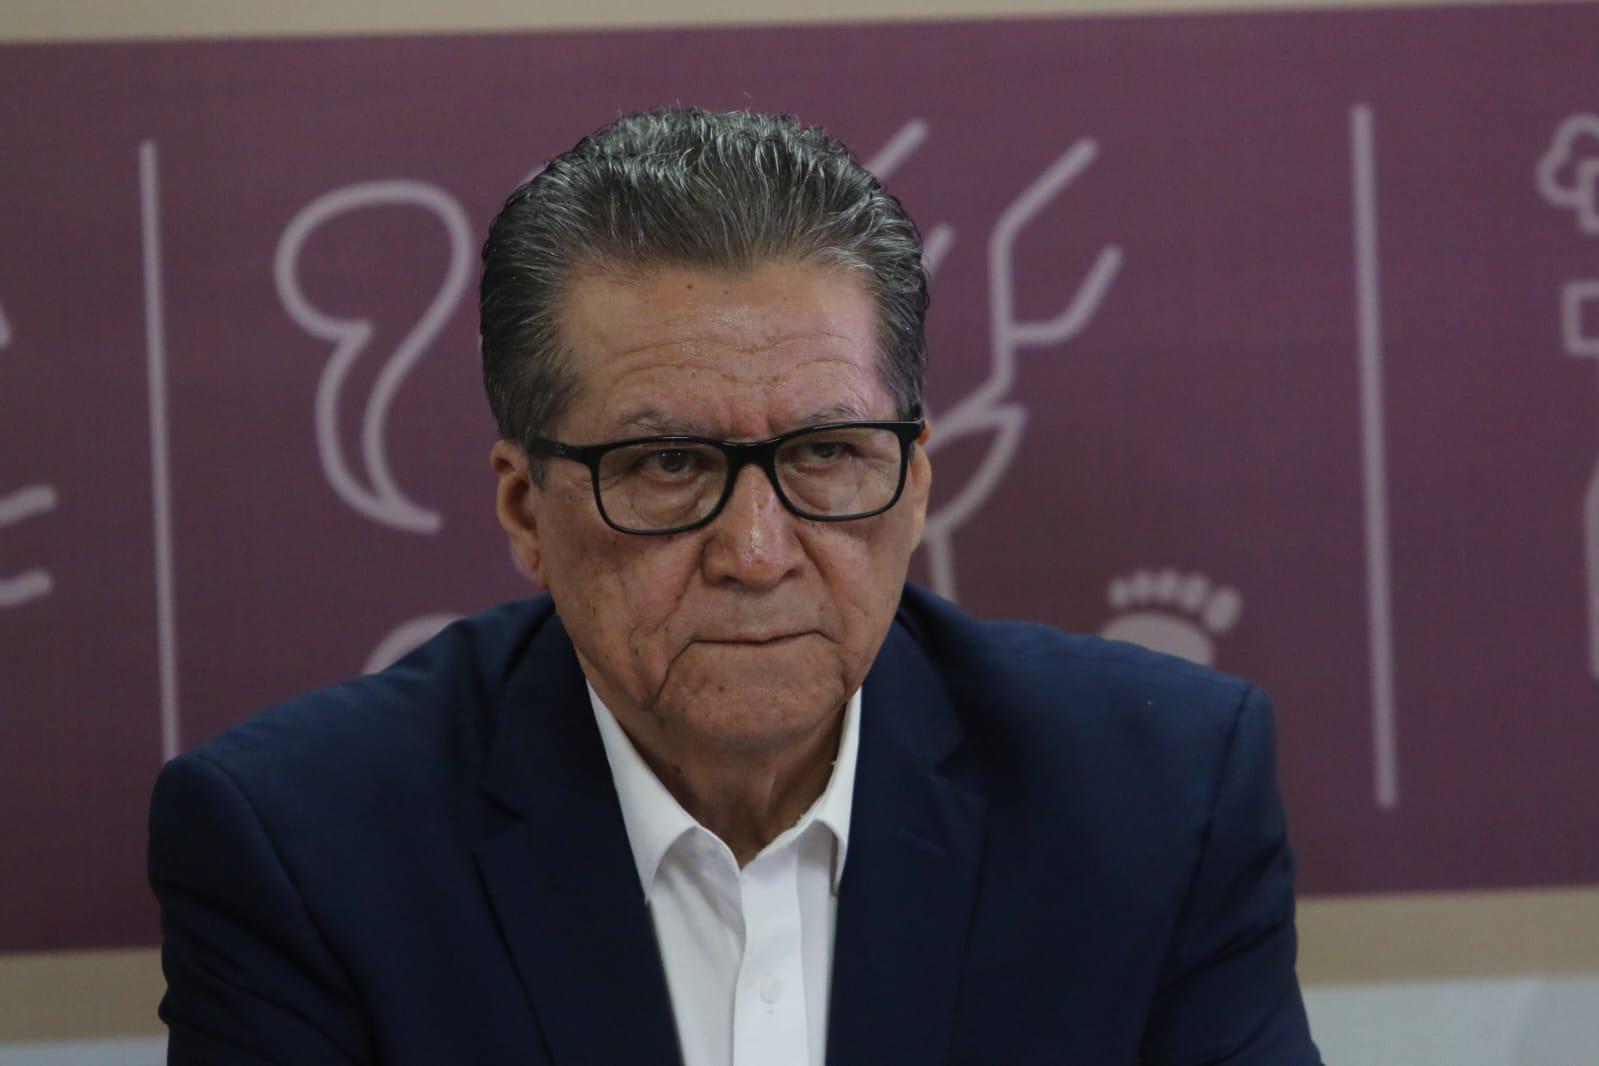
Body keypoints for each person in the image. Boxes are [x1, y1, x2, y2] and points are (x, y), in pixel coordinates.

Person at [148, 107, 1322, 1065]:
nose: (757, 552)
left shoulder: (1157, 800)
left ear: (914, 485)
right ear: (525, 510)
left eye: (826, 454)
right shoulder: (305, 846)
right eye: (667, 465)